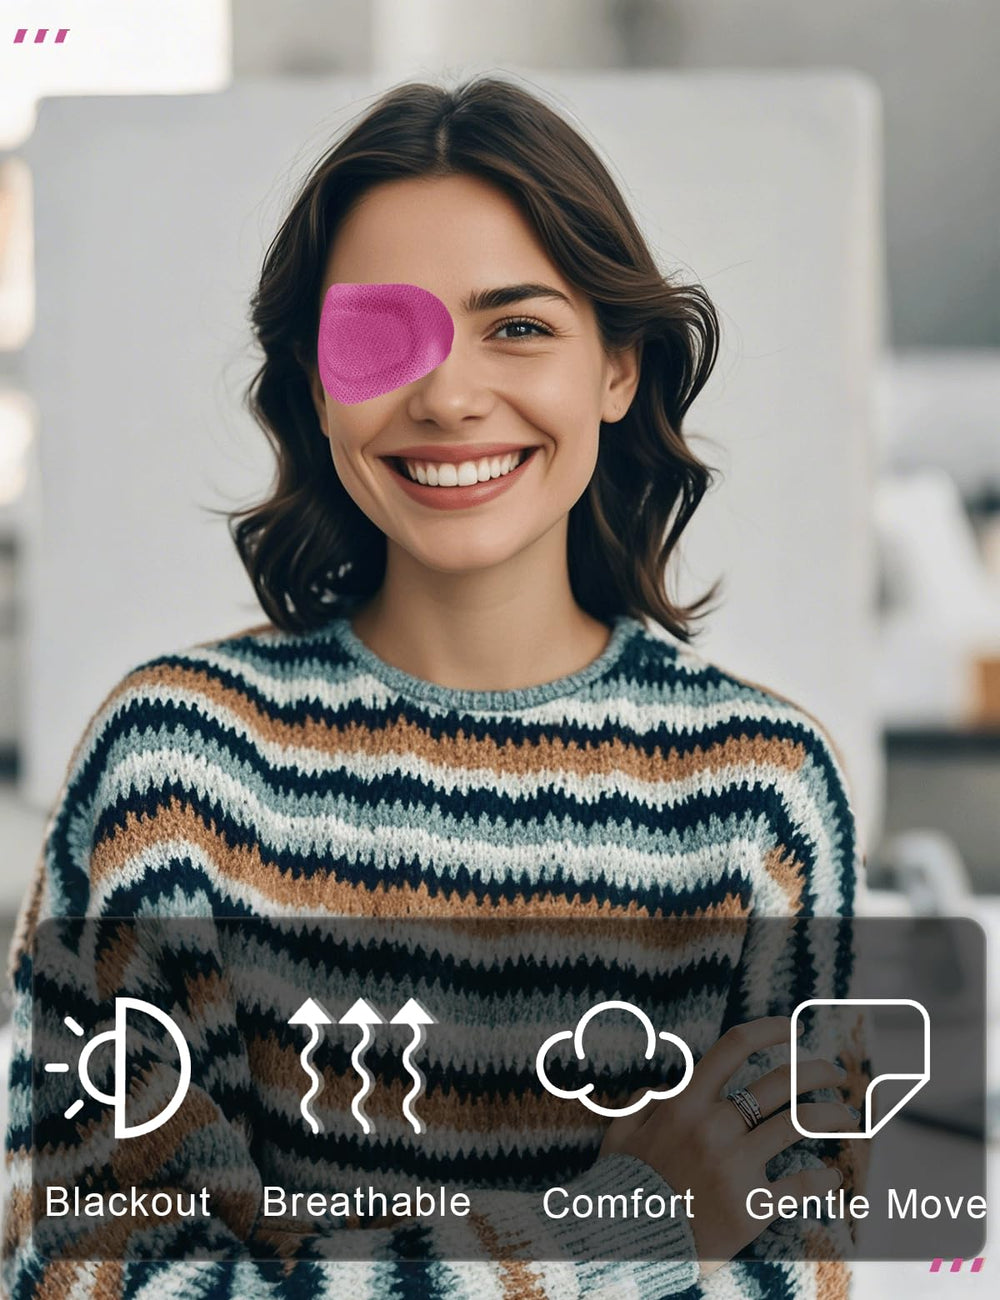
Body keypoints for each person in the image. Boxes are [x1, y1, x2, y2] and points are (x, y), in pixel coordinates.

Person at [3, 74, 869, 1298]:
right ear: (316, 377)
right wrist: (611, 1241)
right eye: (380, 334)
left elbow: (791, 1280)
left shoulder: (765, 797)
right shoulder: (171, 771)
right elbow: (86, 1279)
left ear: (616, 368)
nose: (451, 395)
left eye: (518, 326)